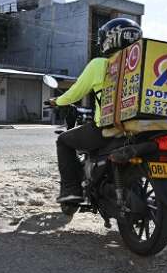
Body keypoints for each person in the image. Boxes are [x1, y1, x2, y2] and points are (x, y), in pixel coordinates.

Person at [50, 18, 142, 206]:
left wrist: (57, 101)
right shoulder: (142, 66)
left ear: (109, 40)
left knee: (63, 141)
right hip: (141, 129)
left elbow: (75, 92)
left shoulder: (100, 64)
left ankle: (71, 191)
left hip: (108, 127)